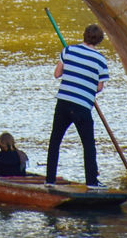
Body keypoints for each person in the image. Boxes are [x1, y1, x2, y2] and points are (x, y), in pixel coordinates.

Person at [46, 23, 110, 186]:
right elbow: (99, 87)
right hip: (82, 105)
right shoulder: (101, 60)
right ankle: (91, 182)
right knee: (88, 145)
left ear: (84, 36)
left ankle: (50, 180)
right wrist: (87, 84)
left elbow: (57, 74)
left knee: (55, 141)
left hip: (64, 102)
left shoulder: (68, 51)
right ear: (99, 40)